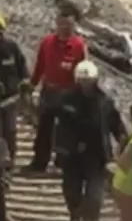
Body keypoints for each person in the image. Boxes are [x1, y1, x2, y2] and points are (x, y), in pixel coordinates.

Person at [54, 60, 127, 221]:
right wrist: (60, 150)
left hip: (96, 155)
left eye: (89, 81)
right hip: (72, 154)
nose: (86, 85)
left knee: (95, 193)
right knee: (71, 189)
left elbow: (116, 126)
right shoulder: (66, 100)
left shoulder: (105, 102)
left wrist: (123, 144)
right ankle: (75, 216)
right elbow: (59, 127)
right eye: (82, 81)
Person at [24, 11, 89, 174]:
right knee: (44, 128)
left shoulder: (79, 45)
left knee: (66, 130)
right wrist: (32, 84)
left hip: (69, 93)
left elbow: (84, 71)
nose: (65, 28)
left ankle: (63, 163)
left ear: (74, 26)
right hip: (49, 91)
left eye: (69, 25)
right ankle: (40, 162)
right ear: (56, 23)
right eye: (62, 24)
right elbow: (40, 65)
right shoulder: (47, 42)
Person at [0, 12, 29, 165]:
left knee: (10, 130)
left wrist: (25, 86)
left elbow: (22, 69)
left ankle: (10, 162)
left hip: (10, 98)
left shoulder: (12, 48)